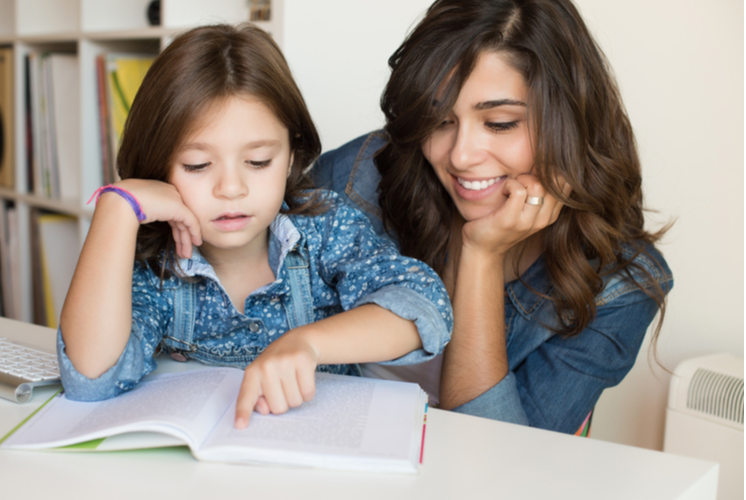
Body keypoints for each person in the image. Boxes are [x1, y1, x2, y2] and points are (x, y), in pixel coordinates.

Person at [58, 24, 452, 429]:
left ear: (292, 155)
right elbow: (90, 377)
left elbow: (425, 309)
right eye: (197, 165)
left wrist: (308, 343)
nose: (231, 188)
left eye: (259, 161)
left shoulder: (323, 227)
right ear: (158, 167)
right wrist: (116, 207)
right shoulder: (157, 265)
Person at [313, 0, 673, 434]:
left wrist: (480, 256)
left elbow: (497, 458)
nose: (461, 156)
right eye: (440, 119)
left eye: (500, 123)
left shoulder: (619, 287)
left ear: (570, 122)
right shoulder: (361, 180)